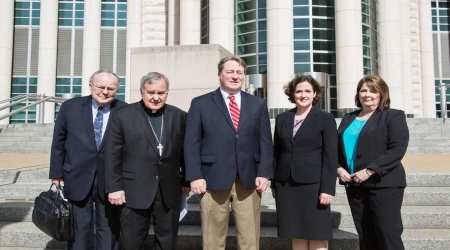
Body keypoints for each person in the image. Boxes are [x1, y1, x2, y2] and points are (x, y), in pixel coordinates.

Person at [184, 56, 273, 250]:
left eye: (239, 72)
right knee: (212, 240)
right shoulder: (200, 103)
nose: (235, 76)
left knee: (249, 240)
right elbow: (191, 143)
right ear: (220, 75)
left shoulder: (257, 104)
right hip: (211, 179)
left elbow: (265, 142)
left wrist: (265, 173)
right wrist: (195, 176)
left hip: (249, 180)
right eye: (230, 71)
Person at [105, 72, 187, 250]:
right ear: (142, 91)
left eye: (161, 93)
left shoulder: (179, 116)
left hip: (168, 191)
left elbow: (185, 152)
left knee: (167, 242)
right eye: (151, 92)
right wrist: (114, 187)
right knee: (131, 242)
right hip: (133, 189)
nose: (156, 98)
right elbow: (112, 155)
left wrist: (187, 179)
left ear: (167, 93)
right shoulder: (123, 115)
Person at [49, 70, 126, 250]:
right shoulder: (70, 107)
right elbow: (58, 142)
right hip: (76, 177)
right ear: (90, 85)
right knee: (78, 232)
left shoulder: (125, 110)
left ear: (117, 90)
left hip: (110, 181)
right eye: (101, 87)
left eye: (111, 88)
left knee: (108, 231)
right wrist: (56, 173)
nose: (105, 92)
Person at [337, 75, 409, 250]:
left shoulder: (393, 116)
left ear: (382, 93)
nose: (367, 94)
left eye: (373, 90)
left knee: (387, 233)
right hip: (354, 185)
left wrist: (369, 171)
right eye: (363, 90)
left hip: (383, 183)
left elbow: (397, 149)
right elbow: (336, 149)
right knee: (365, 234)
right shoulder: (348, 118)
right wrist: (339, 169)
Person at [272, 75, 337, 250]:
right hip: (286, 185)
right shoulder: (282, 119)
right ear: (292, 94)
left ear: (315, 93)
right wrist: (274, 184)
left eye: (307, 91)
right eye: (299, 91)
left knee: (317, 235)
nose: (303, 95)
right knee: (296, 235)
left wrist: (328, 189)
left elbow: (331, 156)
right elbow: (276, 153)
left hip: (314, 187)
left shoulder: (325, 118)